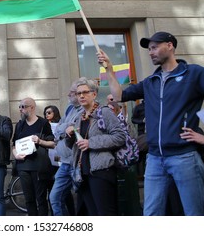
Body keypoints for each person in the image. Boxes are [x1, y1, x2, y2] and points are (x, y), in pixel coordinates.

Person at [97, 31, 204, 215]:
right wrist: (109, 69)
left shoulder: (194, 73)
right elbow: (118, 96)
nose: (150, 52)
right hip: (155, 159)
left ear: (170, 46)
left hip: (185, 157)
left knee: (194, 215)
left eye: (155, 47)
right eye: (149, 49)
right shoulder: (150, 82)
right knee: (150, 215)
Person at [65, 78, 126, 216]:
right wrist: (70, 135)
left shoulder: (104, 112)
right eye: (78, 93)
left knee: (106, 214)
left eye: (85, 92)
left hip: (101, 171)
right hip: (83, 172)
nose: (81, 96)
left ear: (94, 94)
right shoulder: (80, 117)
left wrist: (90, 143)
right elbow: (74, 146)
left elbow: (119, 137)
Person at [12, 97, 55, 216]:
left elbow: (53, 144)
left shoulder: (43, 123)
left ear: (32, 107)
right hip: (23, 166)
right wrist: (16, 155)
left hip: (39, 167)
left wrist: (40, 141)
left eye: (23, 107)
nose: (21, 109)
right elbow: (14, 145)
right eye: (19, 107)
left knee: (41, 199)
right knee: (29, 200)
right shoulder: (20, 125)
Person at [49, 79, 83, 216]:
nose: (69, 94)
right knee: (54, 197)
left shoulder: (84, 110)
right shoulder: (70, 108)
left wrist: (66, 127)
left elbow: (74, 128)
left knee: (83, 199)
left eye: (72, 92)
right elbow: (59, 128)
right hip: (64, 162)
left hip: (76, 162)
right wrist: (65, 127)